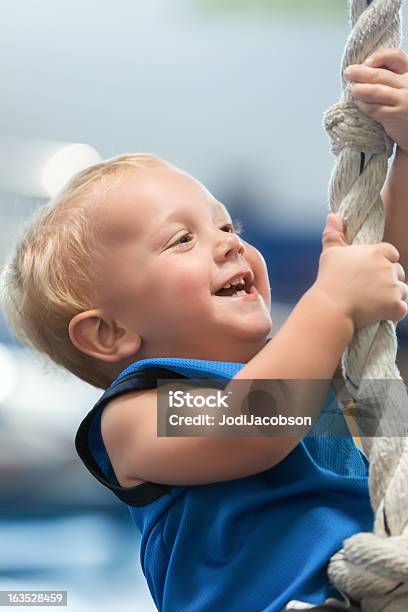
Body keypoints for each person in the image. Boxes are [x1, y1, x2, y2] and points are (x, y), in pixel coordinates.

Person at [3, 46, 408, 612]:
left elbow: (384, 259)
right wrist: (333, 302)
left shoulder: (310, 367)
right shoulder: (134, 418)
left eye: (226, 224)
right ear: (109, 334)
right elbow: (257, 422)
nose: (229, 243)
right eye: (182, 240)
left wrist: (404, 148)